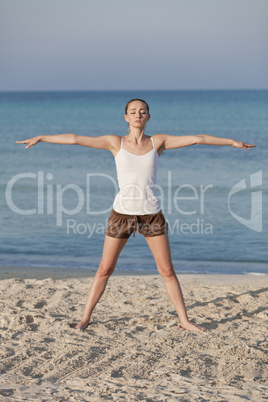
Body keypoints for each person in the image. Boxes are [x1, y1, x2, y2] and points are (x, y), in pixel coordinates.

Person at [16, 98, 255, 333]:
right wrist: (42, 137)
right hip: (121, 214)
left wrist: (231, 142)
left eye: (142, 111)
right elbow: (76, 138)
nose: (138, 115)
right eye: (133, 111)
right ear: (126, 117)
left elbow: (197, 139)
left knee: (167, 271)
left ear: (148, 117)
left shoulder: (158, 142)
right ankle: (85, 319)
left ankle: (184, 320)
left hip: (151, 215)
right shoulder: (114, 142)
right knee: (104, 270)